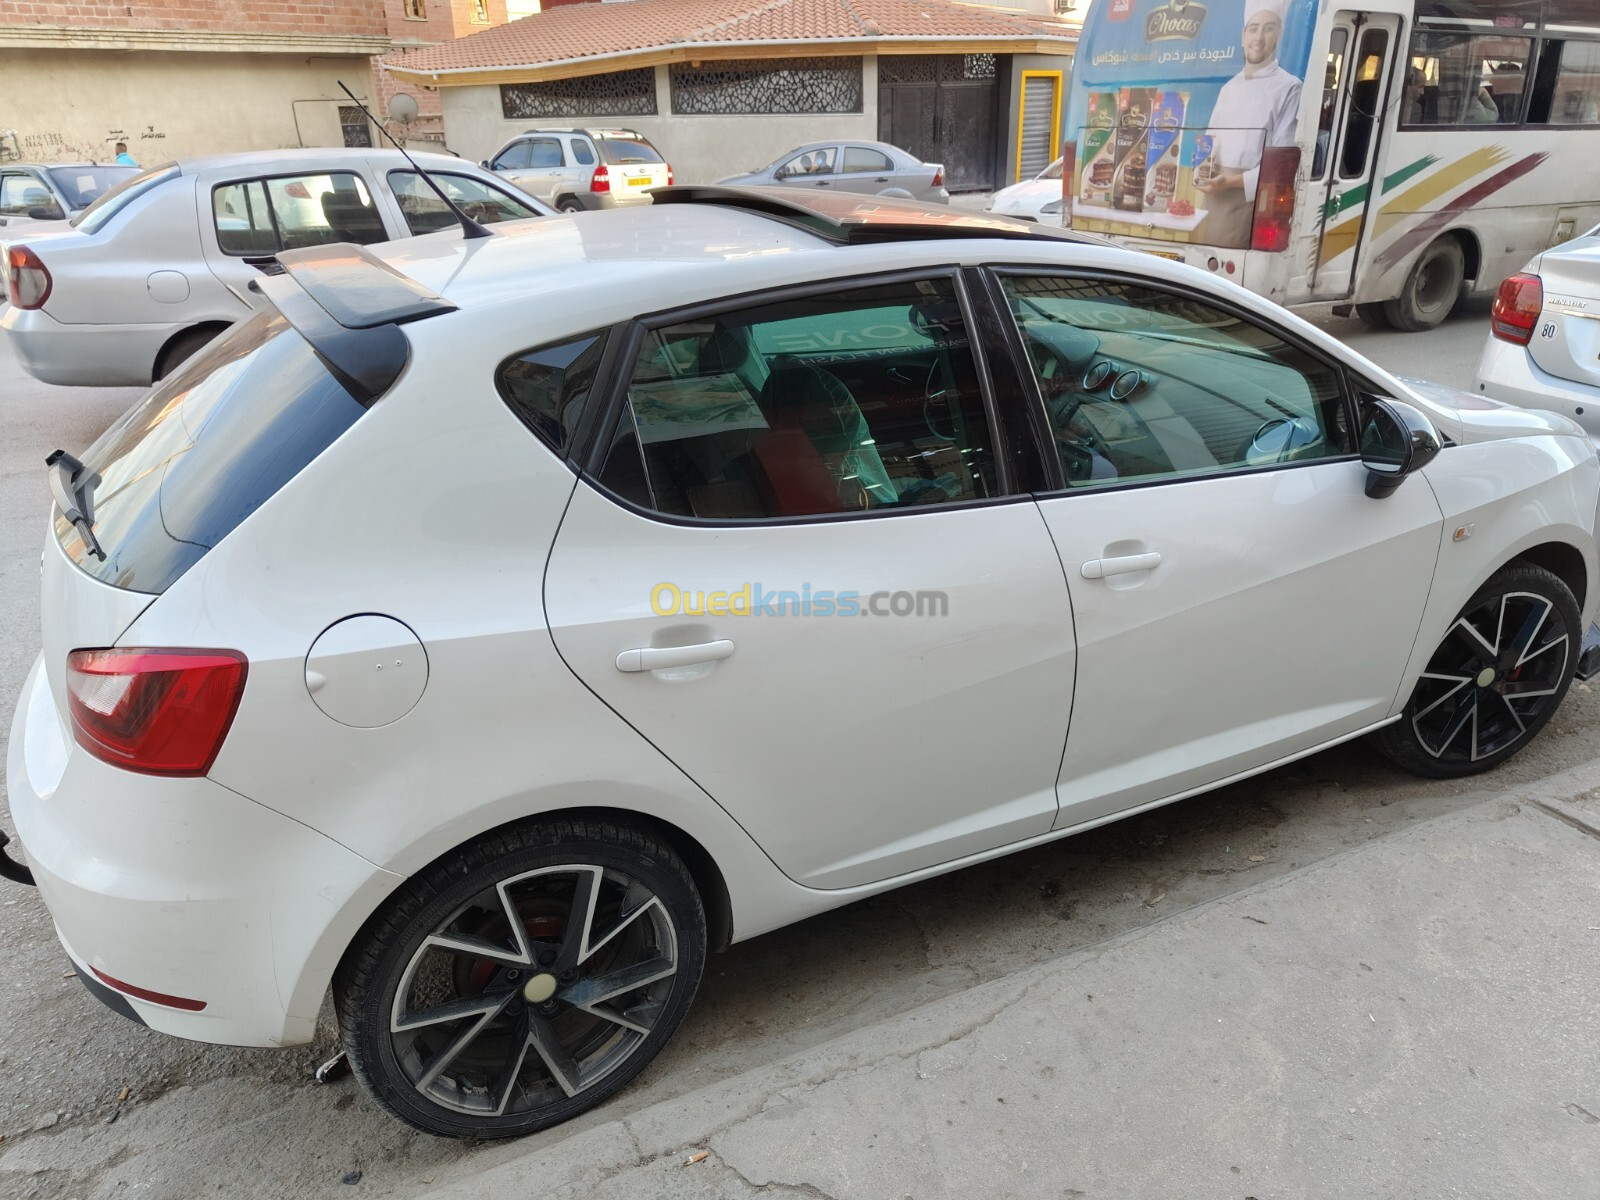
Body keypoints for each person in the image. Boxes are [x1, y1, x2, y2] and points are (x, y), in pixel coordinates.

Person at [1194, 0, 1302, 247]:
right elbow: (1207, 144)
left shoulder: (1289, 88)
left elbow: (1281, 164)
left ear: (1279, 34)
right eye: (1253, 28)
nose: (1259, 37)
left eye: (1268, 28)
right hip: (1212, 199)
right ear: (1243, 36)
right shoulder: (1229, 88)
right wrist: (1200, 168)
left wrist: (1229, 182)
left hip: (1247, 202)